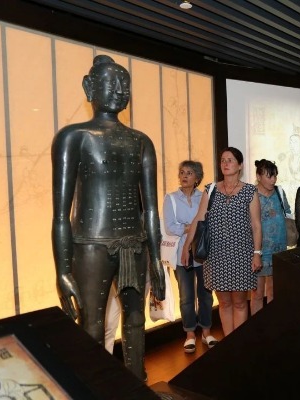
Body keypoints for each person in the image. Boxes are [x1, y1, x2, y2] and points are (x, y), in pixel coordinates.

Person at [51, 55, 164, 381]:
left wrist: (156, 258)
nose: (119, 90)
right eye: (110, 82)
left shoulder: (141, 141)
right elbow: (60, 214)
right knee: (92, 323)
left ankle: (135, 386)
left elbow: (150, 209)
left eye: (125, 84)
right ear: (89, 87)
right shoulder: (73, 137)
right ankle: (94, 388)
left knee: (136, 320)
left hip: (135, 244)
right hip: (90, 245)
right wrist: (63, 270)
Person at [182, 147, 262, 337]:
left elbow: (256, 225)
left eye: (230, 160)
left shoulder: (250, 191)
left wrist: (257, 253)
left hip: (242, 255)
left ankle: (238, 344)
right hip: (215, 256)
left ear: (240, 165)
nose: (225, 163)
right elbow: (198, 219)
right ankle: (229, 344)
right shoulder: (210, 190)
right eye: (223, 160)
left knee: (240, 303)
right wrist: (186, 247)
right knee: (224, 303)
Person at [165, 161, 216, 353]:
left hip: (203, 252)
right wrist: (194, 226)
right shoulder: (170, 198)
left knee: (206, 295)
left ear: (197, 178)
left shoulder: (203, 197)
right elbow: (170, 227)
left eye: (189, 173)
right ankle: (190, 334)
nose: (184, 176)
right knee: (186, 297)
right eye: (182, 172)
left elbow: (207, 222)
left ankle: (206, 331)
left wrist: (188, 226)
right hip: (181, 253)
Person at [251, 159, 291, 315]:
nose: (273, 180)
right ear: (259, 176)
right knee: (257, 294)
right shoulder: (251, 194)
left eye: (275, 176)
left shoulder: (279, 192)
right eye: (269, 176)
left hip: (279, 251)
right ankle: (257, 326)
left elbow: (288, 213)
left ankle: (273, 325)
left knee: (274, 293)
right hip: (258, 252)